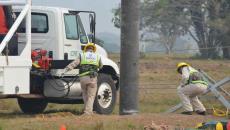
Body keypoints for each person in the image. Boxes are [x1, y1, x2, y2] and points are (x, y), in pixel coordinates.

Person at [63, 43, 102, 115]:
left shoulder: (82, 55)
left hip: (83, 78)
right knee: (91, 96)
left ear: (85, 49)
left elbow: (74, 63)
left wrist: (65, 70)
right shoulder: (97, 56)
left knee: (85, 94)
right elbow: (101, 66)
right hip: (92, 78)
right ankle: (87, 112)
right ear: (93, 50)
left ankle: (88, 110)